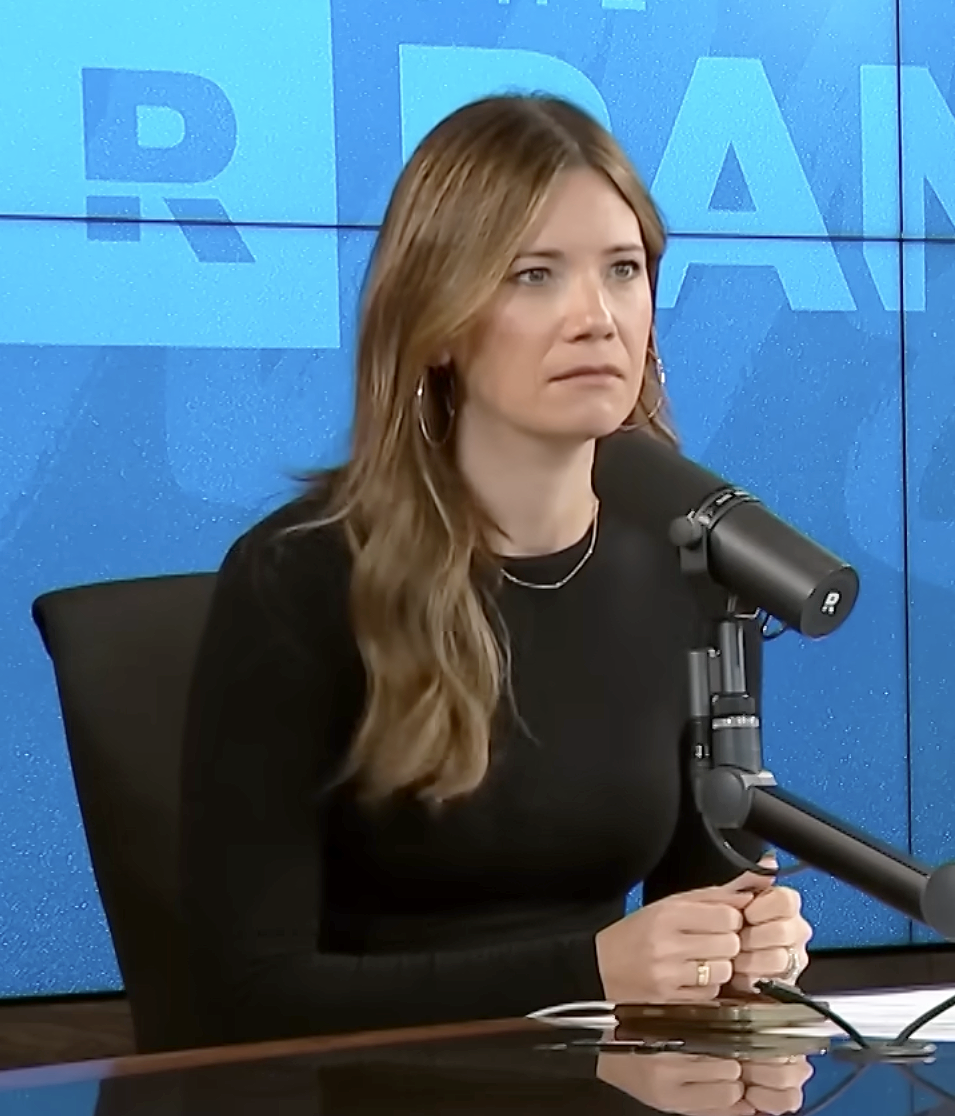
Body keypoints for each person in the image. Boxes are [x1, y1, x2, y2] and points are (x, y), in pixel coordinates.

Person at [179, 94, 812, 1045]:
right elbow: (245, 996)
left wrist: (742, 947)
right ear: (436, 321)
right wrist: (590, 969)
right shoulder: (298, 578)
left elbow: (698, 899)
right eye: (533, 276)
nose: (596, 318)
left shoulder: (693, 566)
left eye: (624, 271)